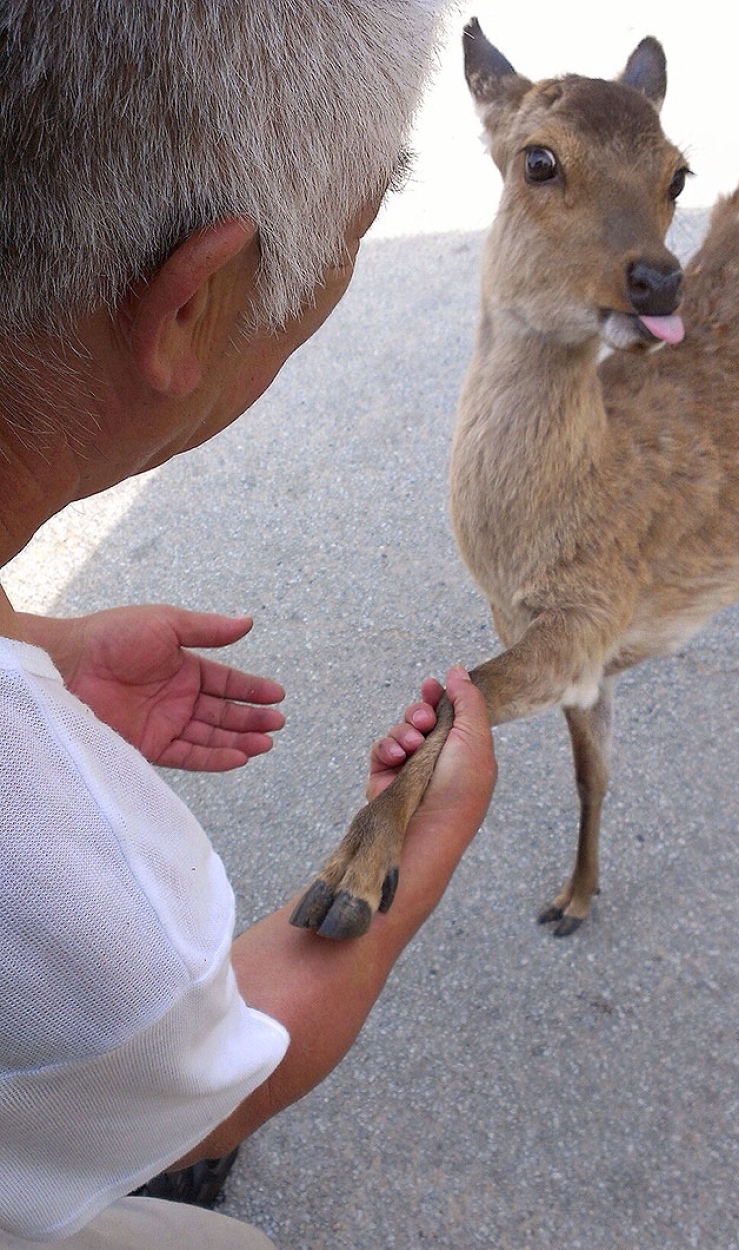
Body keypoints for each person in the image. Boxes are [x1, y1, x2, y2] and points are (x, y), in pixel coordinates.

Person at [0, 3, 496, 1247]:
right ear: (192, 305)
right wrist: (416, 832)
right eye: (359, 221)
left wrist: (35, 652)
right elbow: (234, 1059)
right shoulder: (65, 881)